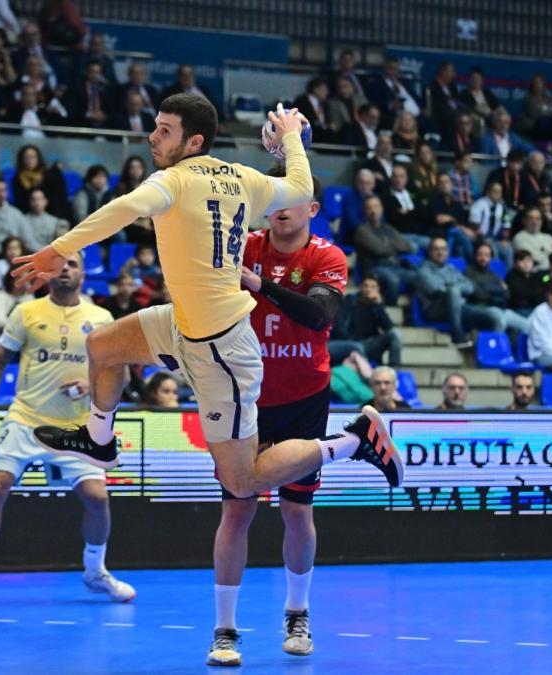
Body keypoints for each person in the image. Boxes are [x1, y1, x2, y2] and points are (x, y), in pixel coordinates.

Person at [10, 98, 404, 626]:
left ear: (193, 142)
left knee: (242, 483)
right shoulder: (243, 178)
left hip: (222, 350)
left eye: (164, 130)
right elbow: (300, 186)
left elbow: (121, 209)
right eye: (154, 127)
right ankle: (99, 439)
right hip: (183, 324)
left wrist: (55, 250)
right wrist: (291, 136)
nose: (153, 137)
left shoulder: (174, 181)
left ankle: (354, 440)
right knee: (102, 345)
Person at [212, 169, 347, 665]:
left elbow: (318, 316)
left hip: (303, 399)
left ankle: (297, 613)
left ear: (312, 210)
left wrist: (259, 284)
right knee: (237, 510)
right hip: (244, 397)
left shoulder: (327, 257)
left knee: (296, 510)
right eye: (274, 200)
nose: (281, 209)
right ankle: (224, 630)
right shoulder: (241, 245)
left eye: (293, 200)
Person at [0, 252, 134, 606]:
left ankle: (95, 571)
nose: (65, 269)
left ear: (83, 275)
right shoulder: (26, 313)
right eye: (60, 264)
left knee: (98, 499)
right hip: (26, 419)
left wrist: (89, 385)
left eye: (73, 264)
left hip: (76, 426)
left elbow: (120, 374)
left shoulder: (101, 318)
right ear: (48, 273)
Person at [415, 237, 476, 348]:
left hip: (458, 307)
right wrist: (455, 288)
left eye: (443, 249)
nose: (440, 252)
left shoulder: (451, 269)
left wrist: (452, 287)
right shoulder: (423, 271)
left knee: (493, 316)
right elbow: (438, 290)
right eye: (436, 249)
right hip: (435, 309)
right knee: (453, 292)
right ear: (430, 252)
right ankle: (457, 335)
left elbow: (470, 286)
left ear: (447, 252)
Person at [353, 196, 415, 303]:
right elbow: (379, 250)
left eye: (376, 206)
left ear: (381, 209)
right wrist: (394, 245)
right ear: (365, 211)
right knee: (393, 280)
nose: (373, 211)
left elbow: (406, 246)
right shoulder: (362, 230)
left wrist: (387, 244)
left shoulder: (388, 228)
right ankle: (389, 306)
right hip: (374, 268)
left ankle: (411, 308)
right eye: (369, 208)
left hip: (395, 266)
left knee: (417, 277)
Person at [330, 276, 402, 366]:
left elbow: (388, 328)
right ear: (360, 287)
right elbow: (339, 328)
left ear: (378, 289)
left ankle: (393, 369)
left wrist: (378, 305)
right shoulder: (350, 301)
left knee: (395, 334)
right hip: (347, 343)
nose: (368, 289)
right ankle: (366, 371)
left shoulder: (376, 306)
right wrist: (354, 341)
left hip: (368, 345)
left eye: (373, 287)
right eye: (365, 286)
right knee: (357, 347)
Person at [465, 242, 530, 335]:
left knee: (528, 326)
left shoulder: (492, 275)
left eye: (487, 255)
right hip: (480, 308)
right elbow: (478, 295)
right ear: (475, 256)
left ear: (490, 258)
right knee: (500, 319)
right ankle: (494, 344)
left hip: (500, 309)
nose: (483, 258)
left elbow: (506, 294)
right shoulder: (468, 273)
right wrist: (497, 290)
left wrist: (487, 288)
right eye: (480, 254)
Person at [469, 181, 512, 262]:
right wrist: (482, 238)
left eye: (499, 192)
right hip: (480, 238)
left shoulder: (502, 207)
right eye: (495, 191)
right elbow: (474, 225)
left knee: (508, 249)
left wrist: (504, 239)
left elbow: (506, 225)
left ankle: (508, 270)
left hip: (495, 239)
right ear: (488, 192)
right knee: (492, 248)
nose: (497, 194)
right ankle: (494, 269)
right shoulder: (479, 204)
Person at [511, 206, 552, 272]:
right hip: (534, 273)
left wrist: (544, 252)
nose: (534, 222)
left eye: (538, 219)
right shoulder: (519, 238)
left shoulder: (548, 237)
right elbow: (534, 258)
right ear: (524, 221)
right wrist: (550, 251)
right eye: (531, 218)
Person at [518, 73, 552, 141]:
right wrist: (549, 109)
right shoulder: (528, 98)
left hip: (548, 127)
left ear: (544, 85)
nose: (537, 85)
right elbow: (535, 113)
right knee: (543, 121)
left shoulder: (549, 98)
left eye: (540, 83)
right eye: (535, 83)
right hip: (532, 126)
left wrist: (544, 108)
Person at [506, 250, 545, 316]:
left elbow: (542, 293)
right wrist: (535, 294)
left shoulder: (535, 276)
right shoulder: (511, 276)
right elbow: (521, 294)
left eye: (529, 260)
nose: (526, 263)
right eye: (522, 260)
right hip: (519, 309)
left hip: (535, 308)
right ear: (515, 263)